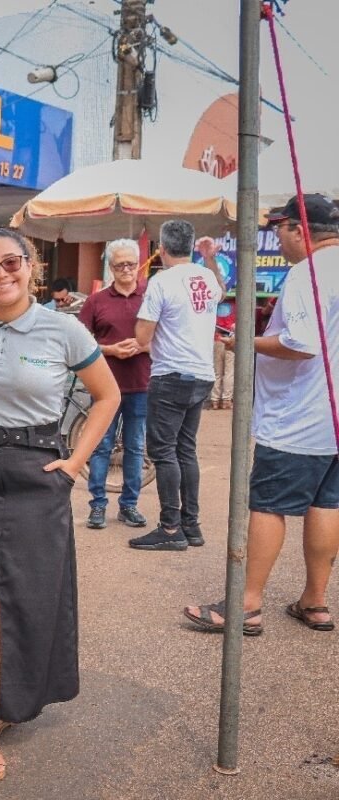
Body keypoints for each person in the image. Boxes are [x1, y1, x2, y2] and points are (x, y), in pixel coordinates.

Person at [0, 227, 119, 783]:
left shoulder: (64, 329)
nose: (2, 274)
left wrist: (75, 462)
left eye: (12, 262)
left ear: (32, 265)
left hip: (36, 474)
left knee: (17, 601)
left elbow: (108, 395)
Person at [184, 193, 339, 636]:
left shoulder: (309, 272)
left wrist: (244, 341)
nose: (278, 238)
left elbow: (301, 345)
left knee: (268, 505)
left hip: (299, 416)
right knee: (327, 504)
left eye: (279, 229)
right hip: (331, 418)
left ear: (298, 229)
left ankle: (246, 604)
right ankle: (315, 601)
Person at [128, 221, 224, 551]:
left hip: (171, 374)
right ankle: (191, 525)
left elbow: (143, 336)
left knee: (164, 451)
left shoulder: (162, 281)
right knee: (185, 449)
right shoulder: (206, 276)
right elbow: (221, 290)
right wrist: (209, 257)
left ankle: (170, 528)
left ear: (162, 249)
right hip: (202, 374)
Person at [78, 239, 152, 530]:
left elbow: (168, 336)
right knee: (101, 445)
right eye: (120, 265)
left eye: (131, 264)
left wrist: (143, 346)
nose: (126, 270)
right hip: (104, 385)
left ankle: (129, 505)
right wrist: (110, 350)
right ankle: (97, 505)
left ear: (139, 265)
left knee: (135, 447)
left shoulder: (150, 296)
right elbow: (80, 341)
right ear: (110, 267)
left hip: (141, 382)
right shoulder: (96, 301)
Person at [211, 295, 237, 409]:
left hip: (217, 339)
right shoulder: (237, 304)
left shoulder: (215, 304)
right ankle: (226, 400)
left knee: (217, 372)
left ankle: (215, 400)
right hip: (231, 339)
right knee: (229, 371)